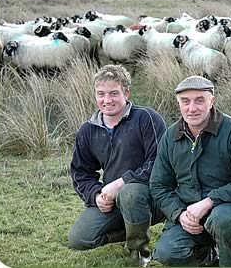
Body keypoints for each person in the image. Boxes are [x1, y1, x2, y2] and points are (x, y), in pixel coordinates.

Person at [149, 75, 231, 266]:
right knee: (166, 253)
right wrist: (179, 214)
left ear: (212, 101)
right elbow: (159, 185)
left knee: (222, 219)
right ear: (179, 104)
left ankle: (230, 262)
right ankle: (208, 256)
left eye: (199, 101)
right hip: (189, 211)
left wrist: (210, 201)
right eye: (185, 102)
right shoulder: (170, 136)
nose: (192, 108)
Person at [68, 64, 167, 267]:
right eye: (101, 93)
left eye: (114, 93)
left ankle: (139, 253)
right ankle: (133, 230)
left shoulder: (147, 118)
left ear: (126, 92)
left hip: (153, 197)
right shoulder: (88, 130)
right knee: (79, 239)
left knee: (130, 193)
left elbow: (160, 163)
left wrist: (121, 183)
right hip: (114, 200)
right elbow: (81, 172)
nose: (107, 100)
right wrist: (96, 195)